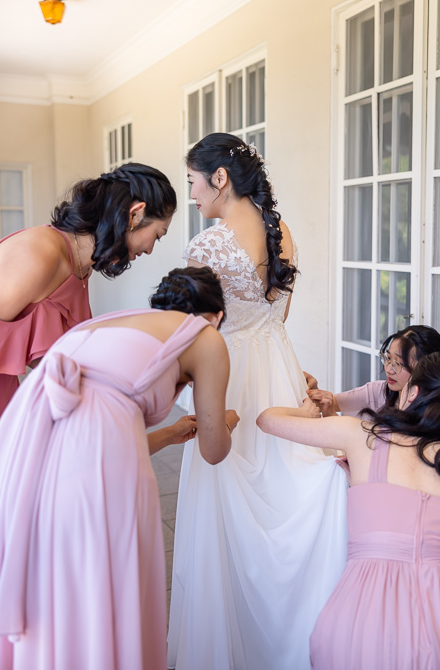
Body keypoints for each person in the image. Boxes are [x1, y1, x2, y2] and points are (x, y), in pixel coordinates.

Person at [0, 266, 238, 670]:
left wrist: (172, 433)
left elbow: (97, 433)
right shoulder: (205, 336)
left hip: (27, 465)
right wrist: (226, 422)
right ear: (216, 316)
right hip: (95, 481)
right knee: (103, 588)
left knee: (52, 589)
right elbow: (213, 450)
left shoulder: (112, 324)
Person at [167, 133, 349, 670]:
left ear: (219, 177)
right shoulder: (282, 232)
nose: (194, 196)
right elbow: (279, 319)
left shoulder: (208, 246)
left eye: (195, 183)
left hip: (230, 376)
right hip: (280, 368)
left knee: (226, 502)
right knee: (285, 480)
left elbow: (194, 332)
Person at [258, 352, 440, 670]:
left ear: (412, 394)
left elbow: (267, 419)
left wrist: (305, 411)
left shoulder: (361, 436)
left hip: (367, 611)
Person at [0, 162, 177, 432]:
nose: (149, 250)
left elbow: (44, 355)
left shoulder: (81, 268)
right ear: (135, 214)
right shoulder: (40, 253)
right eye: (157, 236)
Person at [306, 324, 440, 417]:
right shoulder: (378, 390)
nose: (389, 370)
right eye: (388, 358)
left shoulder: (436, 413)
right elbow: (332, 402)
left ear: (425, 368)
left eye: (398, 363)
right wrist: (315, 390)